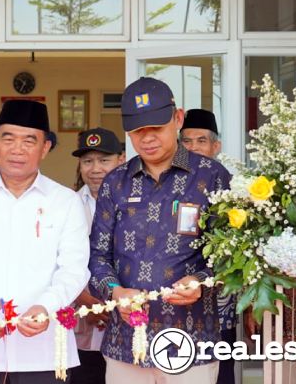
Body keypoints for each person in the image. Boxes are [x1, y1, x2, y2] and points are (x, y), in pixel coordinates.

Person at [89, 77, 231, 384]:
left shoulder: (213, 177)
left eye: (157, 127)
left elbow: (231, 256)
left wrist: (201, 281)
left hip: (191, 342)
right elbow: (98, 257)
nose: (147, 138)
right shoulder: (115, 183)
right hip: (126, 345)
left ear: (177, 118)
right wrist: (116, 291)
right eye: (138, 131)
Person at [0, 99, 90, 384]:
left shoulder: (65, 202)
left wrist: (46, 306)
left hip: (45, 352)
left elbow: (74, 270)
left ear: (45, 148)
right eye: (8, 138)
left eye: (29, 141)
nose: (17, 149)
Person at [180, 108, 238, 384]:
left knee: (219, 366)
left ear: (216, 146)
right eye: (186, 141)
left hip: (217, 295)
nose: (193, 148)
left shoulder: (225, 181)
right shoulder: (168, 179)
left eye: (201, 141)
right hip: (176, 294)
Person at [71, 128, 126, 384]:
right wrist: (83, 300)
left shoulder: (136, 201)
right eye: (87, 161)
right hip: (80, 323)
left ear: (121, 159)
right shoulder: (67, 204)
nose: (95, 169)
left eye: (104, 160)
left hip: (127, 321)